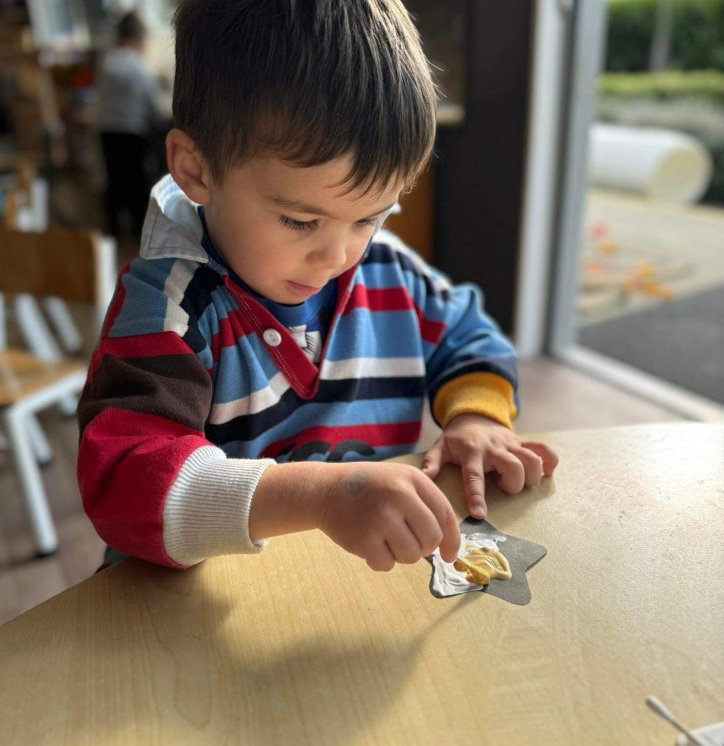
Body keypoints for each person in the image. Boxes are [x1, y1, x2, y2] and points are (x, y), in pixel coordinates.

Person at [78, 0, 559, 572]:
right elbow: (125, 484)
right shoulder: (167, 310)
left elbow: (467, 332)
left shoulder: (388, 271)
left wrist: (476, 418)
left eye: (370, 217)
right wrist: (320, 495)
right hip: (200, 623)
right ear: (197, 168)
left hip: (349, 593)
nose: (338, 256)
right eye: (300, 220)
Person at [97, 10, 167, 239]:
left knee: (114, 178)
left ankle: (113, 230)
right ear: (138, 39)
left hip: (107, 130)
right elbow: (150, 105)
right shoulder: (139, 67)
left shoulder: (106, 63)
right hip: (133, 132)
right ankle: (139, 231)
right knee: (136, 181)